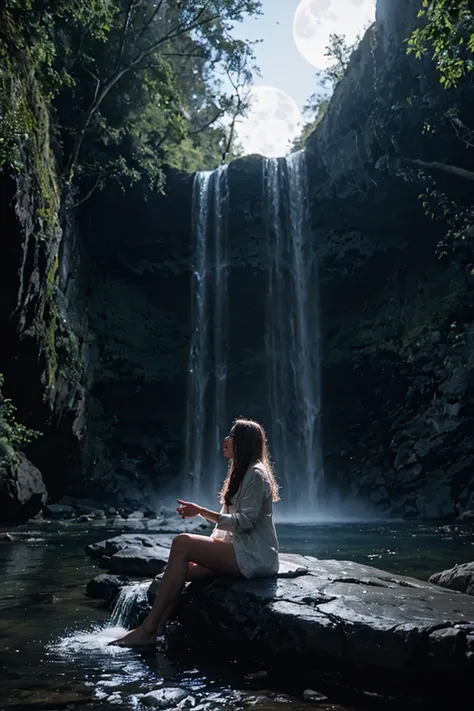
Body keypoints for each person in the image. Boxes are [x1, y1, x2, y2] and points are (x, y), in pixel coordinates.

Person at [110, 418, 280, 648]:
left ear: (244, 442)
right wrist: (207, 547)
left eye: (231, 436)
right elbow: (228, 531)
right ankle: (158, 627)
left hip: (255, 556)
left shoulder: (256, 475)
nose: (226, 440)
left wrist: (200, 512)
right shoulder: (242, 472)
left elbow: (245, 523)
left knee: (183, 543)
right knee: (184, 569)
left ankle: (147, 629)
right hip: (240, 550)